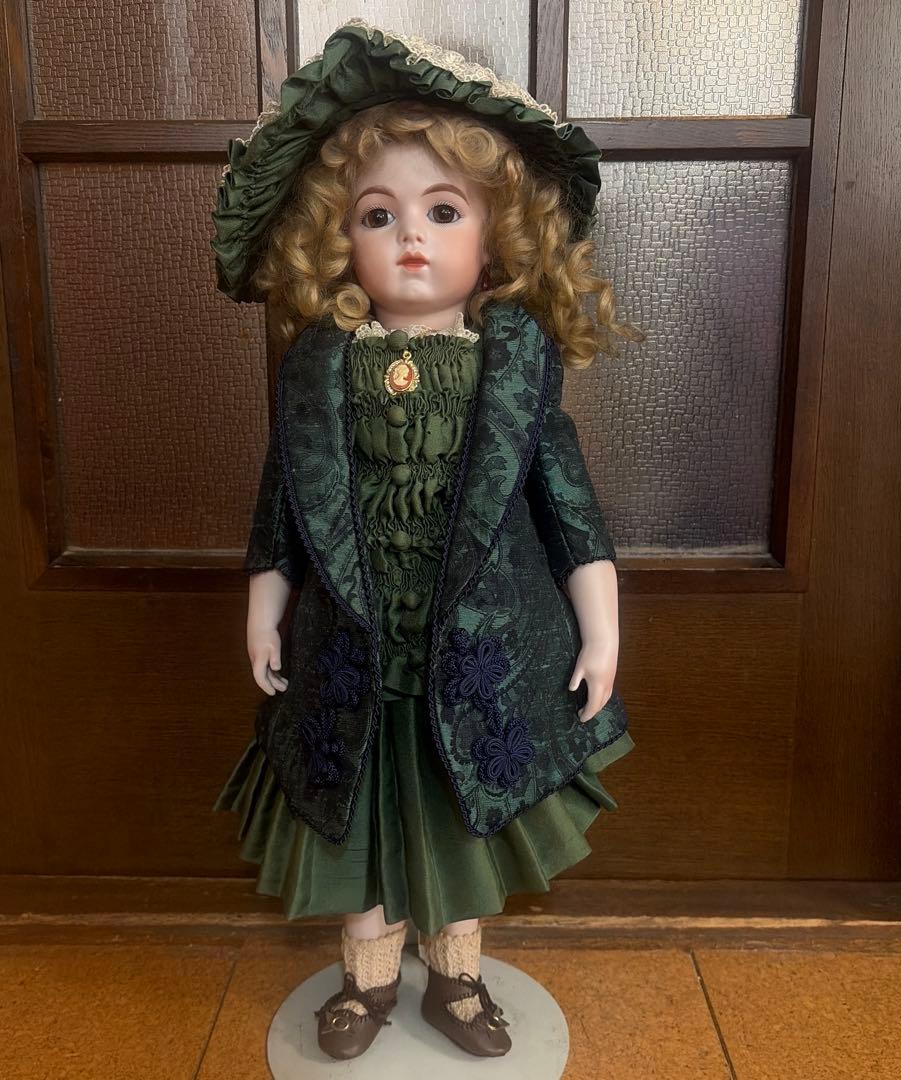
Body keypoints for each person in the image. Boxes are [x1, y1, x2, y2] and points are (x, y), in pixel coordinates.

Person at [211, 17, 642, 1061]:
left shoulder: (516, 369)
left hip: (479, 652)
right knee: (356, 826)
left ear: (496, 234)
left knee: (459, 824)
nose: (412, 235)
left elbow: (568, 506)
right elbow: (287, 501)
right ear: (336, 237)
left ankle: (456, 978)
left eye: (444, 210)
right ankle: (366, 983)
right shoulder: (319, 369)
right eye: (379, 213)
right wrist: (265, 605)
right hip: (354, 651)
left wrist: (602, 628)